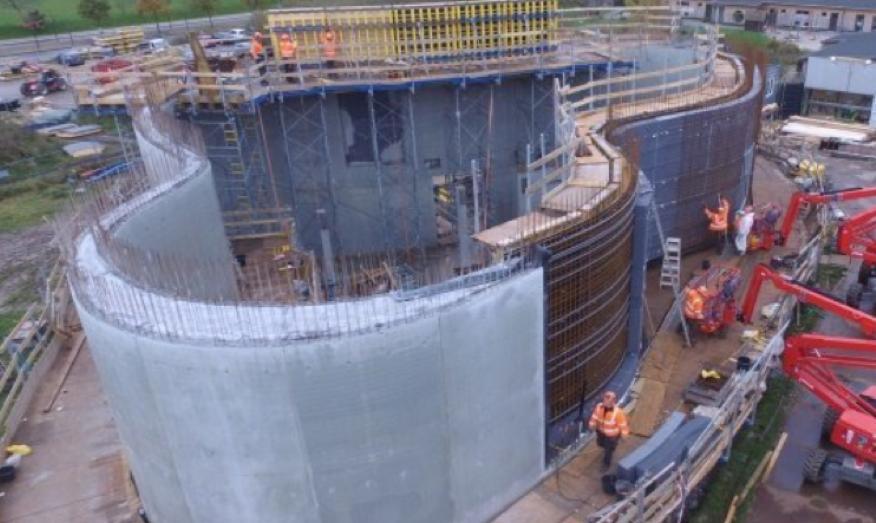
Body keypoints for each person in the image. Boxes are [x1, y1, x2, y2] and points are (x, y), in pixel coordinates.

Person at [589, 391, 630, 469]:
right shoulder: (599, 407)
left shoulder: (618, 413)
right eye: (604, 400)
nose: (605, 402)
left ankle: (606, 464)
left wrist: (624, 435)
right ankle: (611, 447)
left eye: (608, 401)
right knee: (600, 444)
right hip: (600, 432)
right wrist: (591, 424)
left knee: (608, 451)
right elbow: (594, 416)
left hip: (612, 436)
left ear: (613, 402)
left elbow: (623, 426)